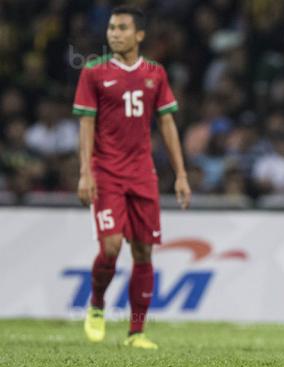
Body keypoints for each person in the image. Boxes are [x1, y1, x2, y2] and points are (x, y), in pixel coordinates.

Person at [73, 6, 191, 349]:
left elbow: (167, 123)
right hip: (106, 171)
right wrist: (85, 171)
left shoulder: (155, 74)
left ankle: (136, 332)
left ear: (139, 35)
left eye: (122, 28)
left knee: (143, 251)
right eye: (111, 27)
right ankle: (96, 305)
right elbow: (86, 123)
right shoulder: (93, 72)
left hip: (143, 174)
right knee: (110, 246)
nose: (114, 33)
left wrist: (181, 174)